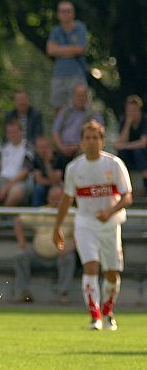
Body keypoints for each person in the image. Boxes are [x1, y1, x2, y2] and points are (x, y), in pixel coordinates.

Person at [54, 120, 132, 330]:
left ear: (102, 141)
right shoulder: (74, 168)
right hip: (85, 223)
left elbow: (127, 197)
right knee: (91, 266)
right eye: (87, 138)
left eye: (95, 138)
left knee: (112, 273)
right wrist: (57, 227)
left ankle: (108, 311)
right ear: (81, 142)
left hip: (111, 224)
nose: (91, 142)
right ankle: (94, 316)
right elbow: (66, 199)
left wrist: (110, 211)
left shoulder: (114, 164)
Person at [14, 185, 76, 303]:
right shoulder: (41, 211)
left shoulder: (72, 213)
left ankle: (63, 293)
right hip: (37, 255)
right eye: (53, 198)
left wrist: (71, 247)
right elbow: (18, 221)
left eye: (58, 198)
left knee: (69, 258)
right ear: (48, 198)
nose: (55, 201)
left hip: (61, 255)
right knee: (20, 256)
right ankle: (24, 292)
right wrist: (22, 243)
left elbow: (82, 232)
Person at [46, 0, 88, 110]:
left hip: (77, 74)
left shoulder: (80, 28)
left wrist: (59, 50)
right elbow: (50, 50)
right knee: (58, 108)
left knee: (79, 107)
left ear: (73, 13)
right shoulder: (55, 31)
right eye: (62, 11)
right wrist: (70, 50)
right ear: (58, 14)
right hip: (58, 75)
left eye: (68, 11)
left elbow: (80, 49)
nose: (65, 14)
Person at [52, 83, 103, 170]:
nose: (80, 98)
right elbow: (55, 131)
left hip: (83, 150)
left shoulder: (93, 114)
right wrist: (62, 147)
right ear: (73, 97)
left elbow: (98, 133)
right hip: (63, 149)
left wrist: (79, 146)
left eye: (83, 95)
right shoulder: (65, 112)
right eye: (78, 95)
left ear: (87, 97)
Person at [114, 95, 147, 196]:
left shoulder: (145, 120)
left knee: (139, 151)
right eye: (129, 110)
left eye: (134, 110)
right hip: (130, 155)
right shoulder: (124, 121)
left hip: (143, 154)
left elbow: (143, 142)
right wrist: (128, 124)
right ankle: (122, 183)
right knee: (122, 153)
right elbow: (120, 142)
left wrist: (124, 146)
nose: (132, 113)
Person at [31, 135, 63, 206]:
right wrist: (46, 162)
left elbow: (56, 179)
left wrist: (47, 163)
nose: (43, 150)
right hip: (46, 185)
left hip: (58, 186)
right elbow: (39, 180)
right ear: (36, 149)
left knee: (57, 191)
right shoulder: (36, 159)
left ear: (50, 147)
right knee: (38, 189)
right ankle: (36, 212)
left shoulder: (59, 158)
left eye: (45, 147)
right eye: (40, 147)